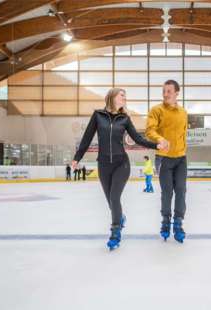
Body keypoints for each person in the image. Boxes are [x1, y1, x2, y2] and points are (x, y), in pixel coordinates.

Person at [72, 88, 165, 250]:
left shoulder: (125, 119)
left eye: (125, 96)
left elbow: (138, 139)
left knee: (114, 198)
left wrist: (156, 145)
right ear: (112, 96)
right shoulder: (98, 116)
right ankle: (120, 217)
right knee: (110, 201)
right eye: (122, 95)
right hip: (103, 164)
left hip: (121, 164)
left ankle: (115, 232)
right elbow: (86, 138)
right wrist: (77, 157)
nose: (125, 98)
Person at [145, 80, 188, 243]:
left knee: (181, 190)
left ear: (177, 93)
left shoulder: (183, 112)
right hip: (163, 158)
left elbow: (183, 134)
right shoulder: (156, 110)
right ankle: (165, 221)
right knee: (167, 192)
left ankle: (178, 222)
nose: (165, 94)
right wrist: (160, 139)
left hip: (181, 158)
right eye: (163, 91)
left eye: (169, 91)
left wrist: (183, 150)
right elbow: (150, 130)